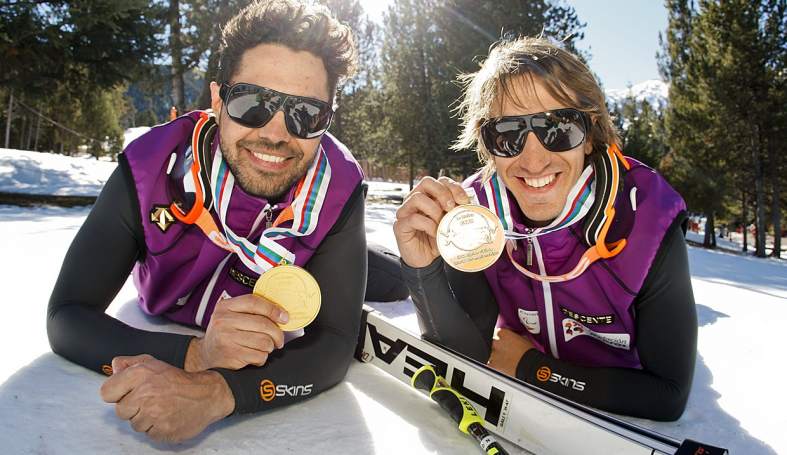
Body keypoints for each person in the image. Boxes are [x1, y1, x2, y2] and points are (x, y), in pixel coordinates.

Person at [47, 0, 403, 443]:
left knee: (395, 282)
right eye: (252, 102)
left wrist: (217, 393)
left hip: (306, 262)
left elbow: (333, 342)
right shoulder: (150, 167)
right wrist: (196, 356)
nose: (275, 134)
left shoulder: (339, 187)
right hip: (185, 294)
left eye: (306, 114)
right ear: (218, 100)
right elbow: (66, 316)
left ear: (327, 120)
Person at [394, 36, 697, 421]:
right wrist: (423, 268)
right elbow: (468, 359)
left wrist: (533, 368)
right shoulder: (475, 218)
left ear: (590, 134)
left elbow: (668, 395)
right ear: (486, 145)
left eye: (558, 128)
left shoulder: (646, 218)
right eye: (507, 134)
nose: (533, 161)